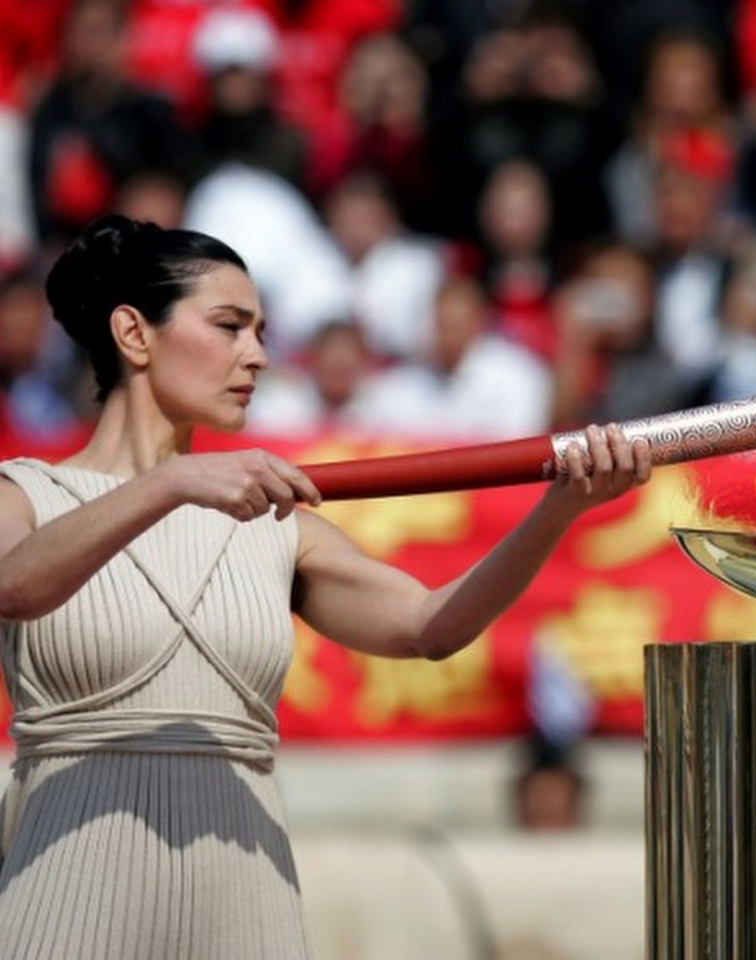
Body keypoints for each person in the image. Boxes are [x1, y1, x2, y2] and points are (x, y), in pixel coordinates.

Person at [0, 214, 652, 957]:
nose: (260, 356)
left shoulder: (273, 521)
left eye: (261, 331)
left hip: (244, 893)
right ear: (134, 334)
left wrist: (558, 509)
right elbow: (15, 586)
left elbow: (428, 626)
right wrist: (173, 483)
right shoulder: (24, 493)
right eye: (230, 327)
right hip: (69, 889)